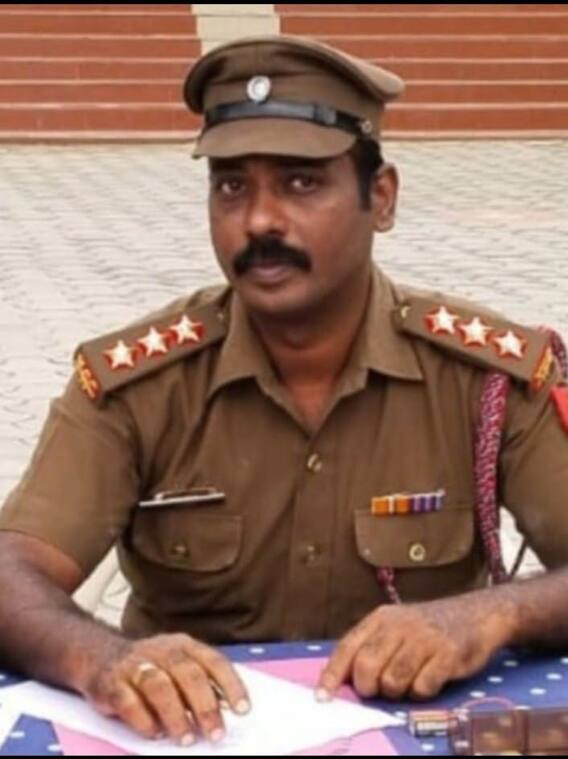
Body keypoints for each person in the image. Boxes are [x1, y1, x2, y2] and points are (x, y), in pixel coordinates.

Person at [1, 33, 568, 747]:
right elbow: (13, 570)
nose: (260, 220)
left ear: (380, 197)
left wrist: (492, 614)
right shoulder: (139, 383)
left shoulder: (485, 376)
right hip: (193, 739)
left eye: (301, 183)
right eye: (232, 186)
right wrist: (104, 659)